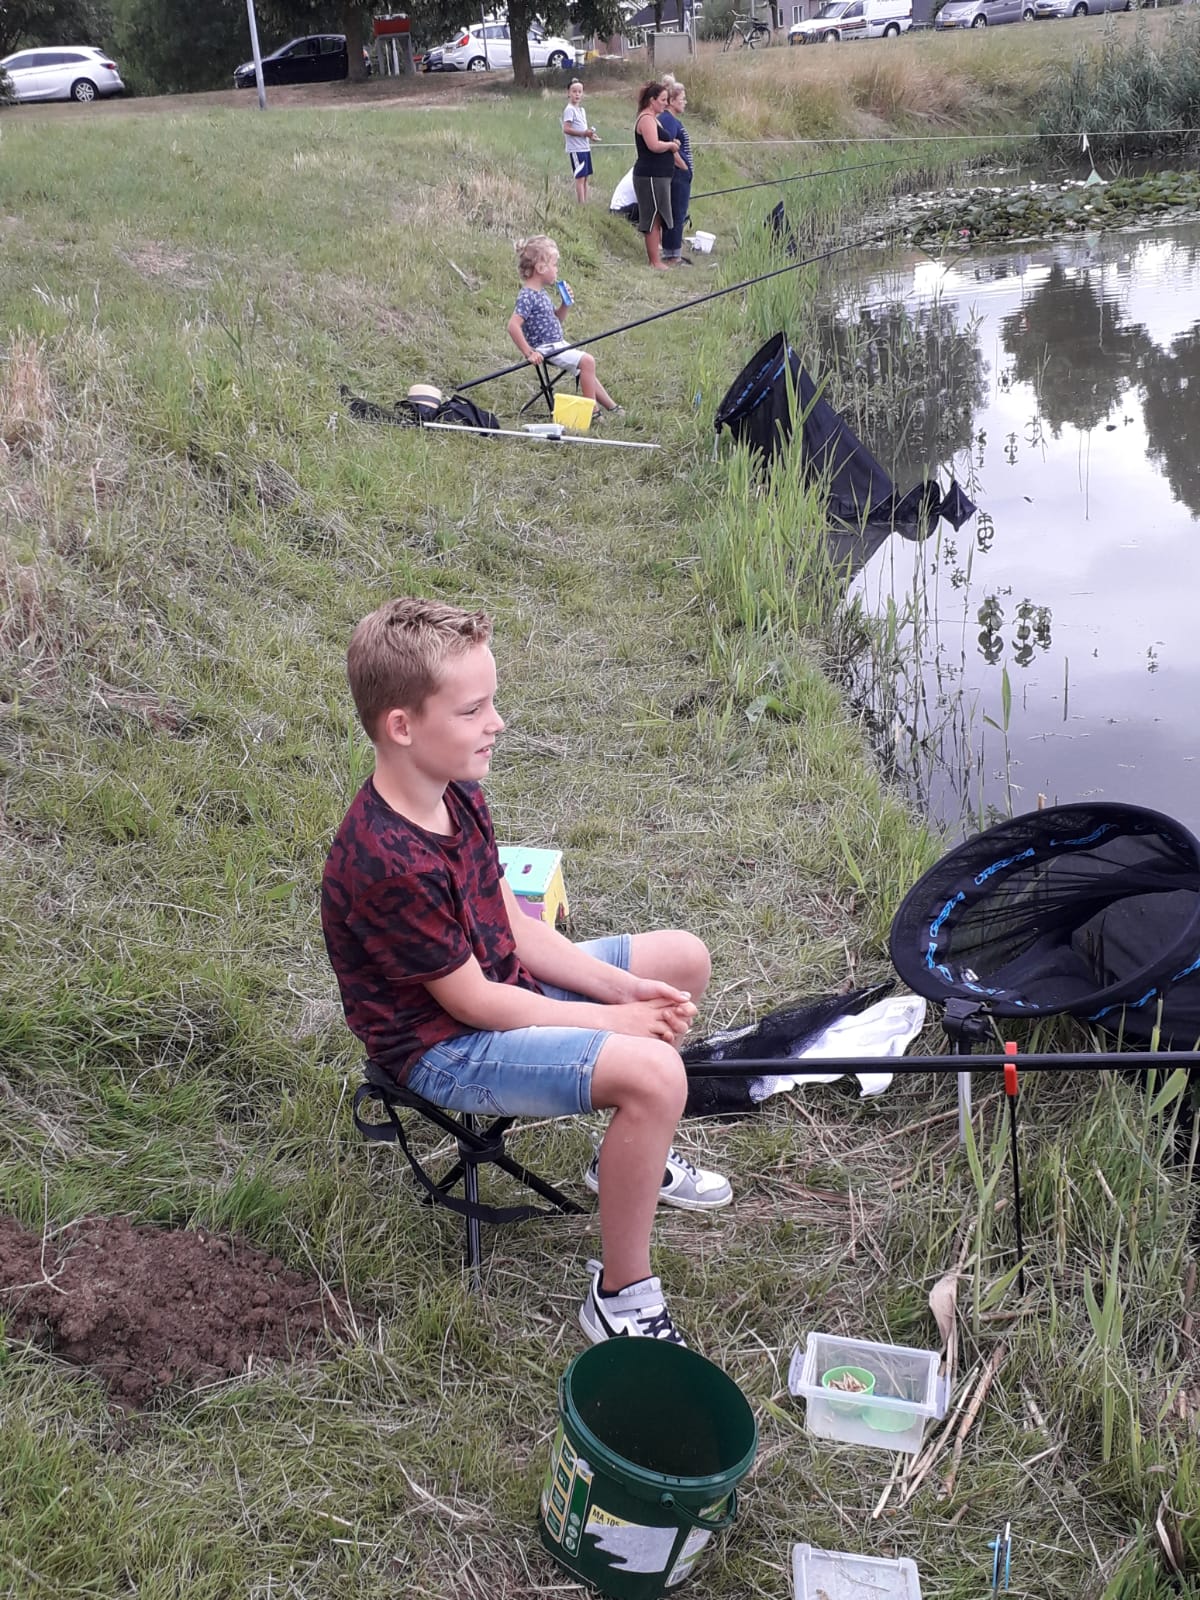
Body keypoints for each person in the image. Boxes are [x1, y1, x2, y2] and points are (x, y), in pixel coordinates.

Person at [322, 598, 733, 1345]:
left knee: (682, 959)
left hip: (499, 986)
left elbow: (512, 923)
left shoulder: (455, 793)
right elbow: (476, 1005)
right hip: (445, 1046)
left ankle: (625, 1163)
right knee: (657, 1075)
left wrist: (624, 989)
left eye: (493, 703)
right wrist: (616, 1022)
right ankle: (620, 1297)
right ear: (402, 727)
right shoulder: (388, 862)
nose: (498, 723)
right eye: (473, 709)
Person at [506, 234, 621, 418]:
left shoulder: (541, 293)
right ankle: (592, 412)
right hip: (546, 348)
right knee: (587, 361)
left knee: (585, 367)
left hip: (556, 343)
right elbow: (513, 326)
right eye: (554, 265)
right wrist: (529, 353)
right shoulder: (528, 295)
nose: (557, 269)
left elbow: (555, 320)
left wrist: (565, 304)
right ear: (540, 268)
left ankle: (613, 407)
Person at [633, 82, 684, 272]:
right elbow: (653, 145)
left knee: (659, 216)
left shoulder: (654, 119)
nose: (665, 103)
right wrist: (670, 146)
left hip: (659, 176)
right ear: (651, 100)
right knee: (652, 216)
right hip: (650, 176)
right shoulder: (646, 119)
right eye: (662, 100)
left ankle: (657, 257)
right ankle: (654, 261)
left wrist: (672, 143)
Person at [658, 76, 693, 268]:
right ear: (671, 101)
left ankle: (671, 252)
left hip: (678, 174)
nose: (685, 102)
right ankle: (673, 256)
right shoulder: (669, 120)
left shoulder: (669, 120)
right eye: (682, 99)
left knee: (675, 213)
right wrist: (683, 166)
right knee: (677, 213)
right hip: (677, 175)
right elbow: (668, 147)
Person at [562, 78, 599, 204]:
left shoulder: (582, 110)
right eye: (574, 91)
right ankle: (581, 205)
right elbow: (566, 129)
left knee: (586, 177)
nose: (577, 94)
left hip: (585, 148)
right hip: (576, 149)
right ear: (568, 93)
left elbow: (583, 129)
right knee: (580, 177)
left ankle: (585, 203)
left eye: (579, 91)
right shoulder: (569, 110)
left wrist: (590, 135)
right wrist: (583, 133)